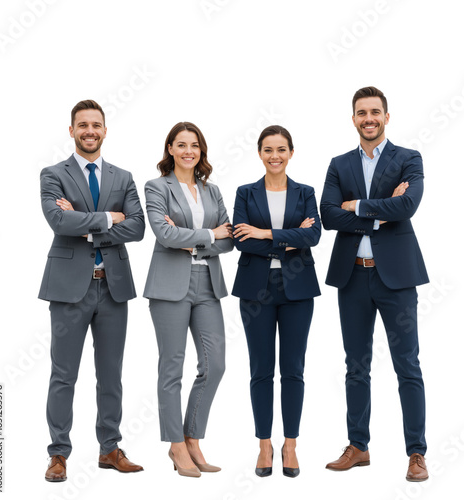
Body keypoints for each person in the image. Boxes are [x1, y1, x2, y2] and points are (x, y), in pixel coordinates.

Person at [320, 86, 429, 481]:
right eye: (362, 112)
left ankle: (416, 453)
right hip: (353, 276)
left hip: (397, 278)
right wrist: (383, 212)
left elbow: (409, 205)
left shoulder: (408, 159)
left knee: (407, 366)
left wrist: (359, 206)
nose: (369, 118)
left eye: (375, 112)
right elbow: (329, 216)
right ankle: (358, 446)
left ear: (387, 116)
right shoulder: (339, 164)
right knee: (356, 366)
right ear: (353, 118)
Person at [39, 100, 145, 482]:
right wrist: (107, 217)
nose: (89, 131)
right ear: (71, 130)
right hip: (69, 290)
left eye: (96, 125)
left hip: (113, 289)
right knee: (63, 374)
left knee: (111, 374)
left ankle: (110, 448)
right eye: (82, 125)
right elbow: (57, 220)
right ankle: (58, 454)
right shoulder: (52, 174)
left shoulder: (123, 176)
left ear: (105, 130)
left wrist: (82, 222)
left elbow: (137, 228)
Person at [143, 122, 233, 478]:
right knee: (172, 367)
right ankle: (175, 444)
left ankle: (193, 437)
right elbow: (163, 234)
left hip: (207, 283)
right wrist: (210, 234)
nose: (188, 151)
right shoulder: (156, 187)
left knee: (215, 365)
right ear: (169, 149)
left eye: (194, 145)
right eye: (180, 145)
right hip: (169, 285)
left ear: (201, 151)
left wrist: (190, 237)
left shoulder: (213, 192)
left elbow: (231, 240)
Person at [232, 125, 321, 478]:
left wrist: (266, 234)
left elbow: (313, 235)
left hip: (297, 289)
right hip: (256, 289)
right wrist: (289, 237)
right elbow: (241, 239)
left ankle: (291, 444)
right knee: (261, 369)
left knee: (293, 370)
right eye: (268, 149)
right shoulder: (245, 192)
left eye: (281, 149)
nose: (275, 156)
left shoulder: (305, 192)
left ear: (291, 153)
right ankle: (264, 444)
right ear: (259, 153)